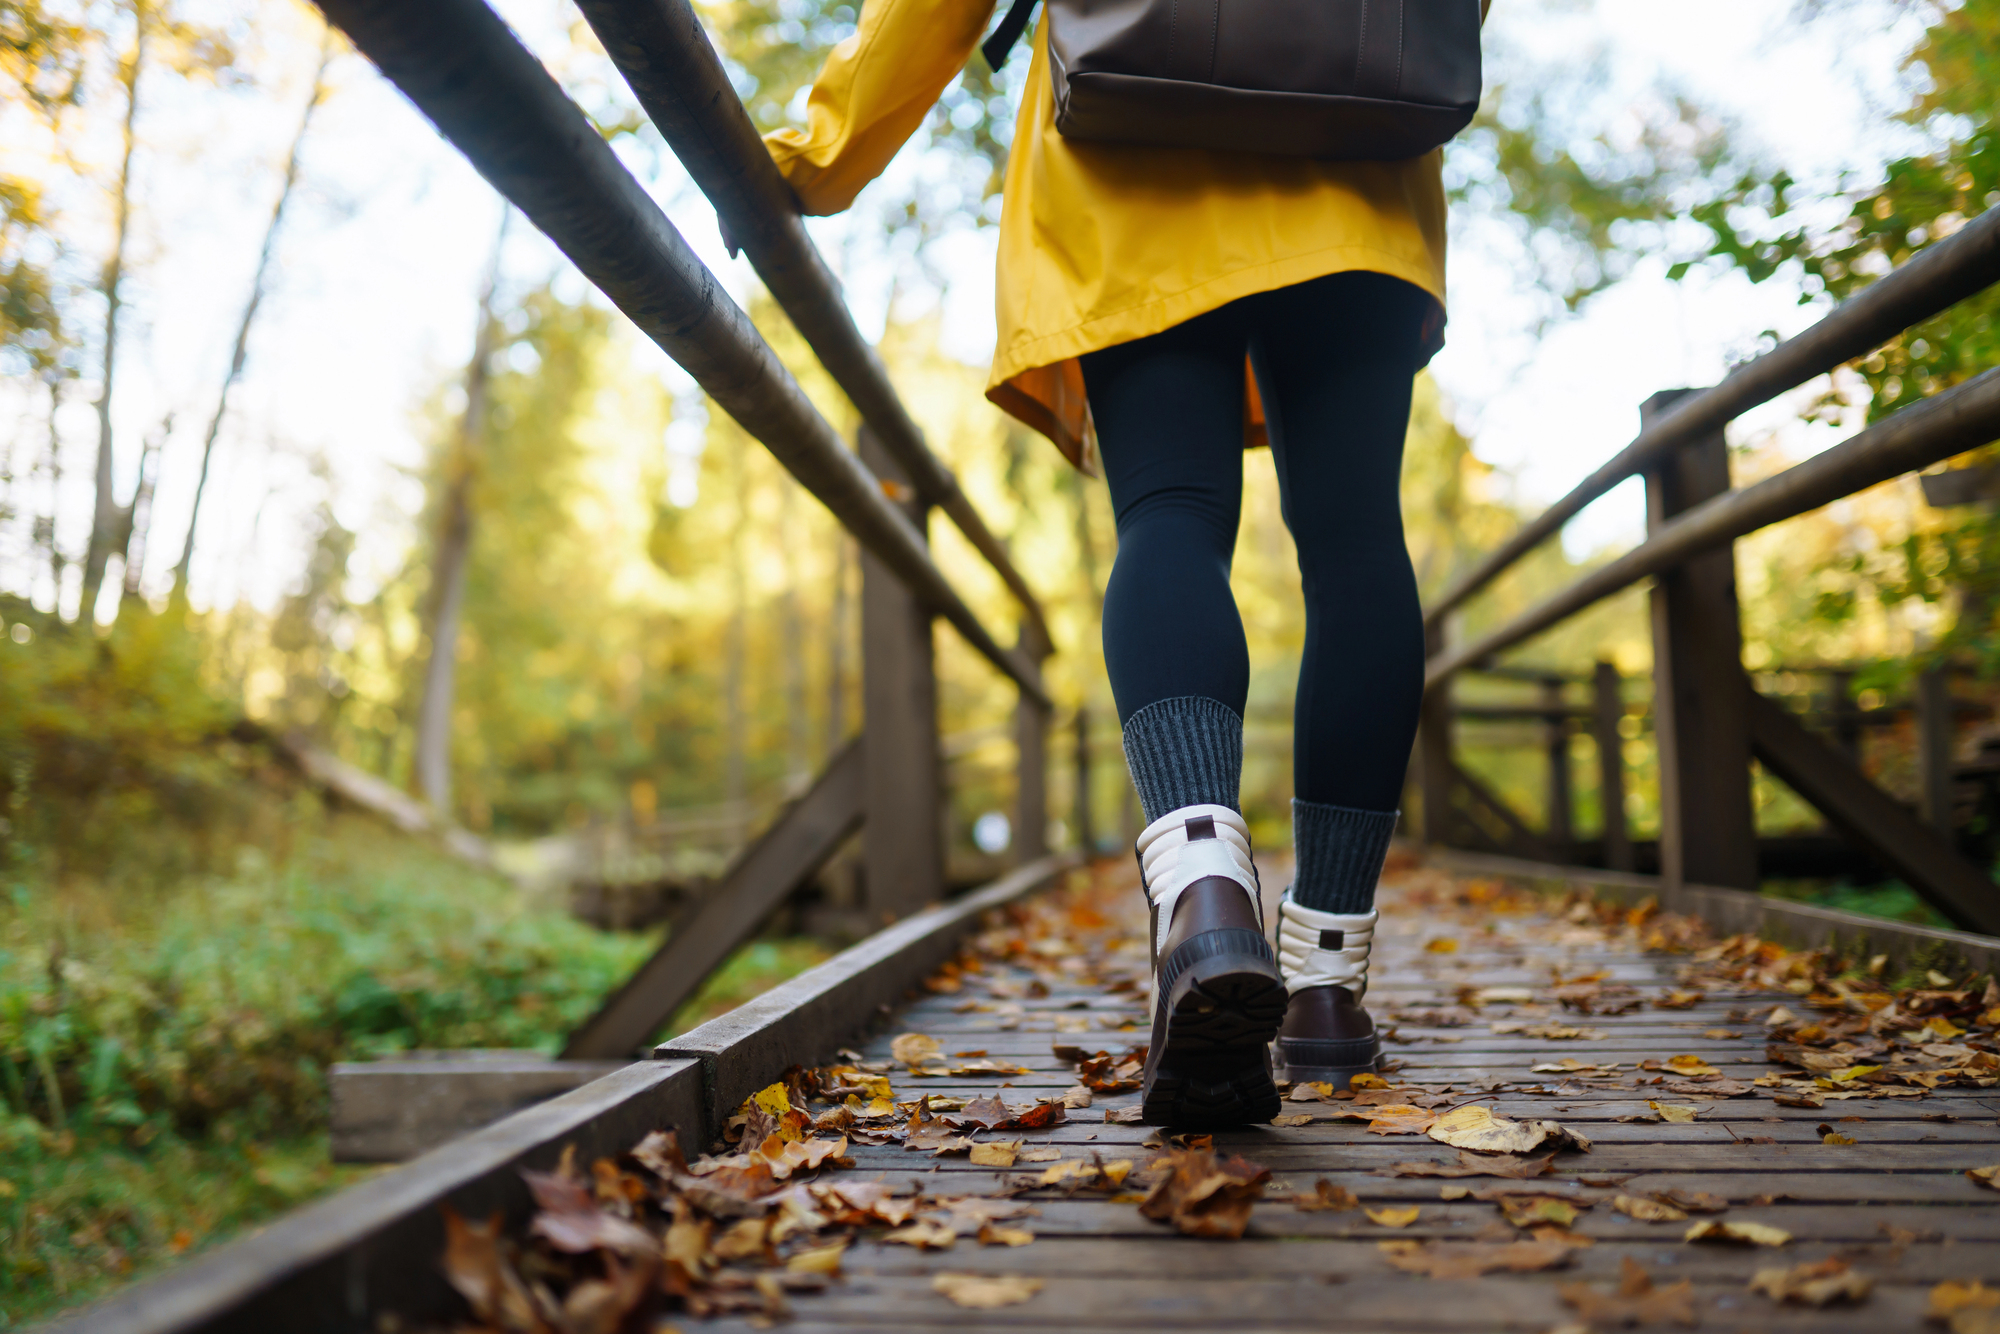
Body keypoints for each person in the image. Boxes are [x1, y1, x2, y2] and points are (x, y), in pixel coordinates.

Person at [764, 0, 1459, 1127]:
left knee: (1171, 513)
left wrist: (820, 160)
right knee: (1354, 544)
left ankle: (1202, 892)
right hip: (1358, 150)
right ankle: (1326, 985)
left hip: (1137, 143)